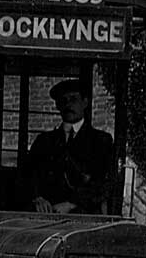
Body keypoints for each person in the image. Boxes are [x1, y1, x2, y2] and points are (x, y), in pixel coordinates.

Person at [28, 79, 117, 214]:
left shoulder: (101, 141)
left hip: (85, 216)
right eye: (63, 100)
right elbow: (28, 175)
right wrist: (37, 198)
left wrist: (72, 203)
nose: (68, 104)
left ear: (85, 103)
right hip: (47, 214)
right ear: (58, 106)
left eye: (73, 99)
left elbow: (104, 183)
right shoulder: (44, 141)